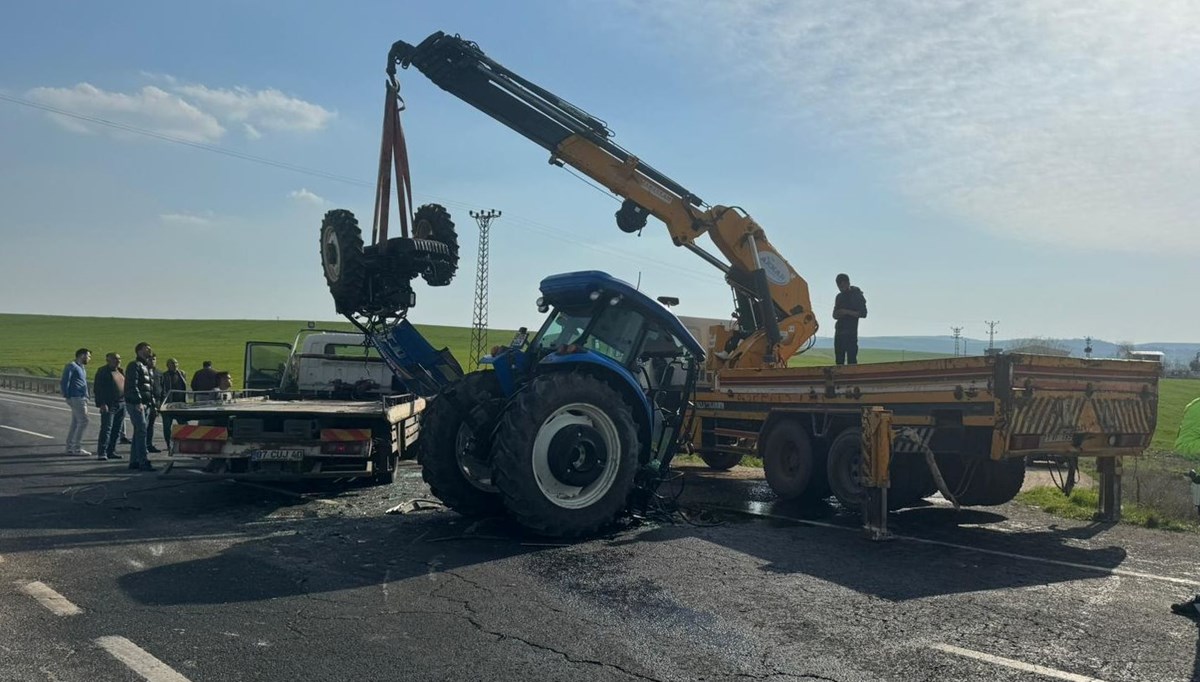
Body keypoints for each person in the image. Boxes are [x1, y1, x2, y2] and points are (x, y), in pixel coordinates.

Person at [124, 342, 157, 472]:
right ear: (139, 351)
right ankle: (143, 461)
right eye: (146, 348)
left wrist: (151, 403)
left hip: (145, 403)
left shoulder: (145, 366)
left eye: (150, 348)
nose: (149, 350)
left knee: (139, 432)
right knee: (142, 430)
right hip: (137, 403)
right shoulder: (134, 365)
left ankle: (134, 461)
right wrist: (138, 401)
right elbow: (133, 384)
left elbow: (148, 388)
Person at [92, 352, 125, 461]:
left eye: (119, 359)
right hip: (109, 404)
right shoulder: (103, 371)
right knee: (107, 429)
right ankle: (102, 452)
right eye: (115, 359)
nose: (118, 361)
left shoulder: (120, 371)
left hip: (121, 403)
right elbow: (98, 389)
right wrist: (102, 403)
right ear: (108, 360)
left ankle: (111, 451)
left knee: (117, 429)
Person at [60, 348, 91, 455]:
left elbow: (83, 383)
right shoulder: (72, 366)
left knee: (76, 422)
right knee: (83, 421)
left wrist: (86, 395)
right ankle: (76, 448)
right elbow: (65, 380)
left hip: (80, 397)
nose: (89, 358)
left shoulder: (81, 368)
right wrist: (66, 395)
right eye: (88, 356)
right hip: (76, 397)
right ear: (82, 355)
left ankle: (69, 447)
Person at [832, 273, 868, 366]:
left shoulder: (857, 295)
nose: (841, 288)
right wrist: (839, 313)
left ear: (848, 283)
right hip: (839, 333)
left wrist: (846, 312)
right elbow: (834, 315)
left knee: (852, 361)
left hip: (851, 333)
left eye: (842, 285)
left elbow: (863, 313)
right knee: (839, 362)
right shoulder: (839, 297)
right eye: (839, 286)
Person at [160, 358, 188, 450]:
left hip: (180, 404)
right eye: (172, 364)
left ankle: (185, 443)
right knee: (167, 427)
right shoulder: (164, 375)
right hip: (168, 406)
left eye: (176, 363)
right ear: (167, 365)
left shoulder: (182, 373)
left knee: (184, 425)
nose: (175, 365)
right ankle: (168, 444)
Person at [144, 355, 164, 453]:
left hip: (156, 402)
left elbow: (162, 388)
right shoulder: (142, 371)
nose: (152, 361)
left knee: (150, 425)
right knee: (143, 425)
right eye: (150, 359)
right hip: (145, 402)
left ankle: (149, 444)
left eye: (154, 359)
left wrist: (161, 403)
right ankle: (143, 445)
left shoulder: (159, 373)